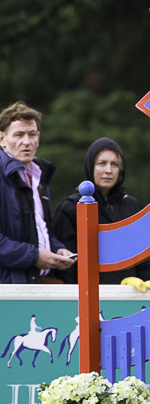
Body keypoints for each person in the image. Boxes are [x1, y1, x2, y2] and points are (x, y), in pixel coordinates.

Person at [50, 137, 150, 286]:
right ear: (90, 167)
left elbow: (148, 259)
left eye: (114, 164)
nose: (108, 170)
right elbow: (66, 267)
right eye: (102, 163)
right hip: (86, 299)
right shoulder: (70, 208)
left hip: (130, 297)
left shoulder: (132, 207)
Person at [0, 102, 73, 284]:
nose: (27, 142)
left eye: (31, 134)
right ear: (2, 139)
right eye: (18, 135)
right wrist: (34, 257)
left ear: (38, 138)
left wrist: (57, 249)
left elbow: (41, 230)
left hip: (37, 285)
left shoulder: (38, 176)